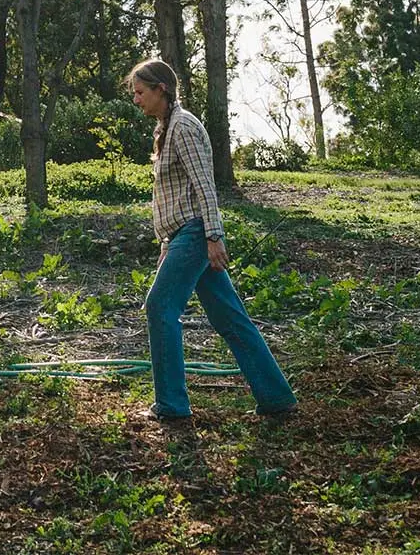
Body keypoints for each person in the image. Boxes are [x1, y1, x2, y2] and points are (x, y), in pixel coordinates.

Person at [127, 59, 297, 420]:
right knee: (230, 317)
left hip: (195, 233)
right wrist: (165, 247)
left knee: (159, 307)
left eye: (140, 92)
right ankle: (276, 398)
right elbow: (175, 195)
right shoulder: (166, 128)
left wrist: (214, 236)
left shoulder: (184, 126)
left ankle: (172, 406)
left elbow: (204, 185)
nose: (136, 100)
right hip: (183, 236)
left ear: (161, 89)